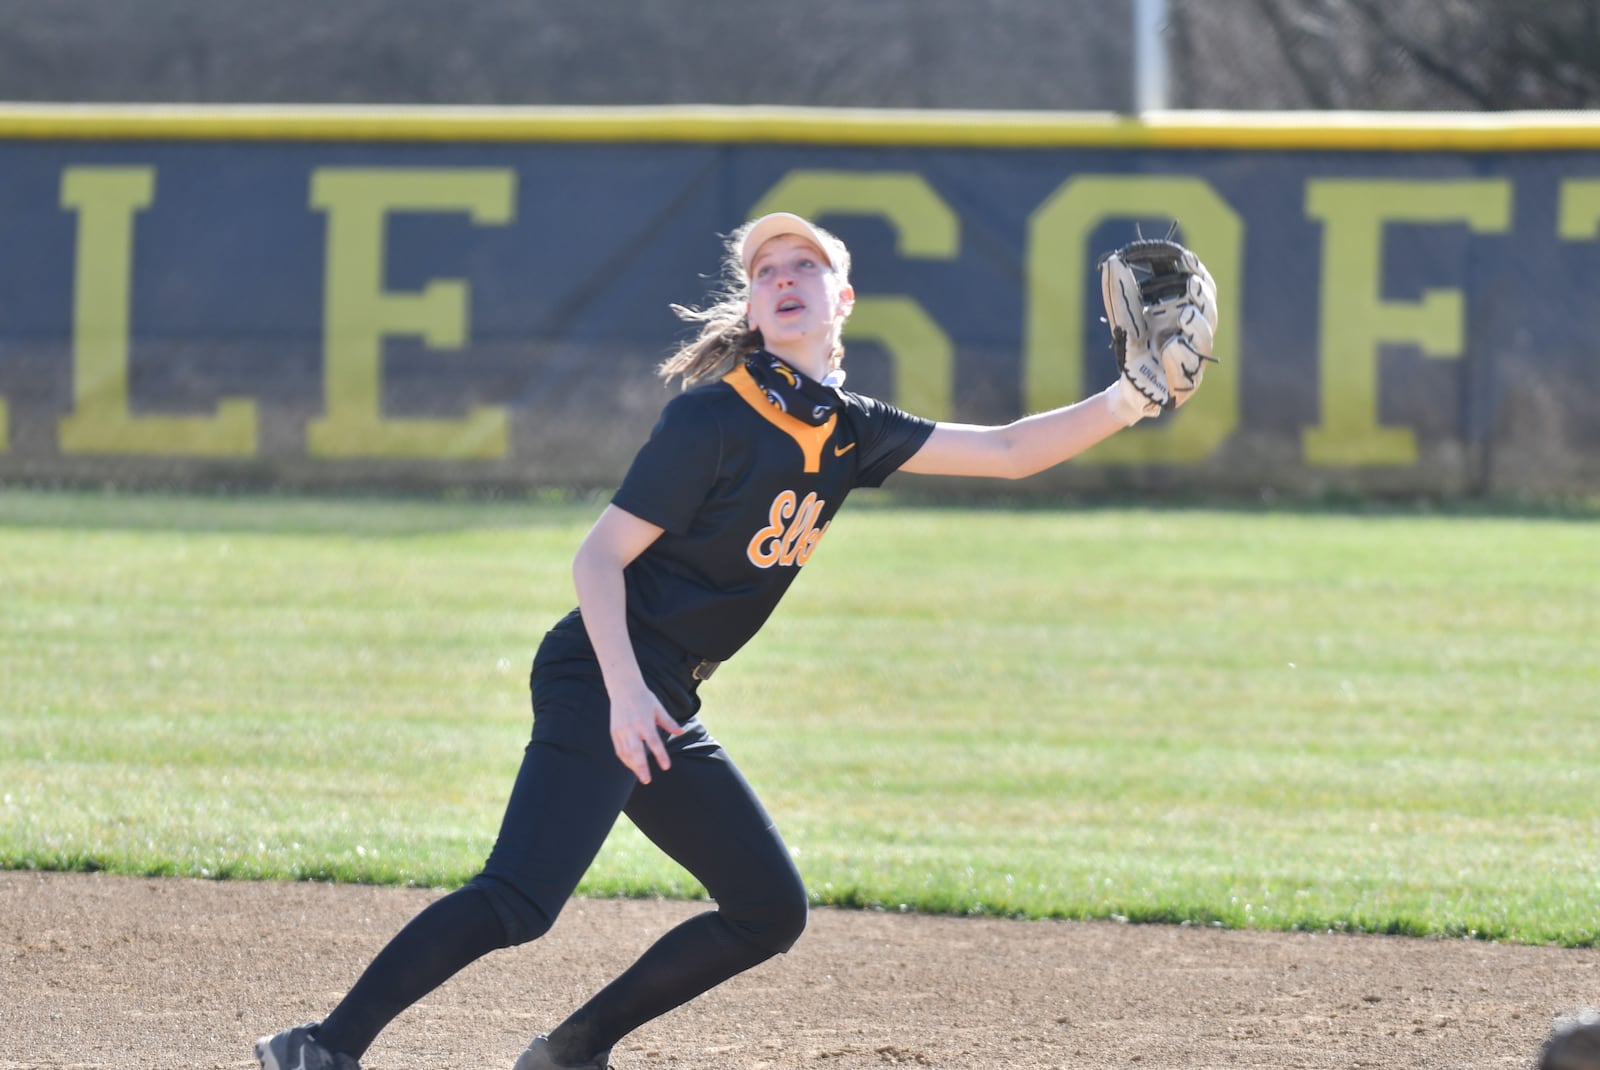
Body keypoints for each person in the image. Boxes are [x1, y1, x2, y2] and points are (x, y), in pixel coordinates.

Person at [254, 211, 1215, 1070]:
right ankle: (321, 1050)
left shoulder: (850, 430)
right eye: (765, 272)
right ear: (753, 309)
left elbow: (1007, 452)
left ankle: (572, 1049)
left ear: (843, 298)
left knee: (767, 910)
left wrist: (1131, 397)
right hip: (605, 669)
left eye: (804, 265)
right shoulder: (713, 417)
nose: (783, 279)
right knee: (520, 899)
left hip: (665, 687)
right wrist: (628, 697)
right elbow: (597, 562)